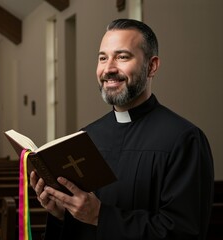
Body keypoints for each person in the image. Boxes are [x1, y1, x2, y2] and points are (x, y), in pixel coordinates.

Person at [30, 18, 214, 239]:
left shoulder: (184, 140)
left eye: (123, 57)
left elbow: (184, 232)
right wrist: (62, 214)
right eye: (102, 58)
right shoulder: (87, 137)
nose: (109, 69)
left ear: (152, 66)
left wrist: (100, 215)